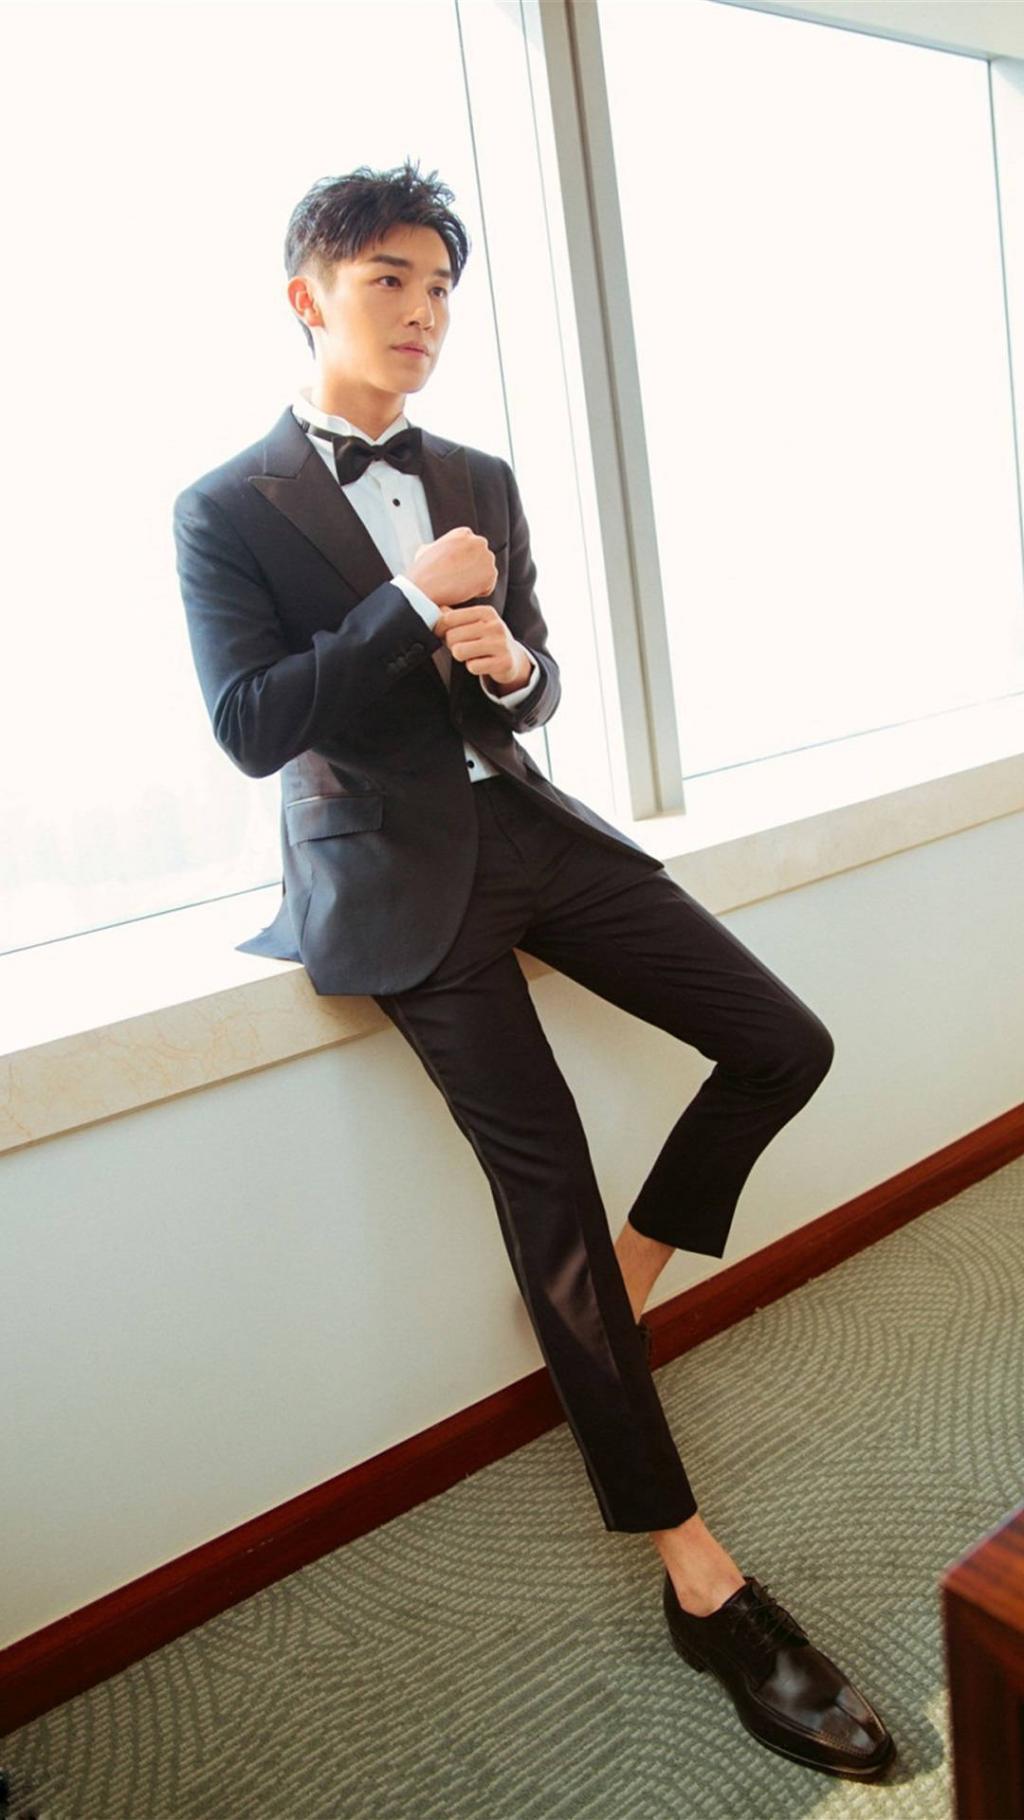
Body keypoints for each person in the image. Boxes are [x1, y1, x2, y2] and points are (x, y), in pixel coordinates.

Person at [173, 158, 894, 1782]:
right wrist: (404, 605)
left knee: (782, 1041)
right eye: (388, 281)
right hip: (390, 874)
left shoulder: (479, 474)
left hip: (531, 830)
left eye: (441, 286)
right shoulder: (223, 507)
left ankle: (623, 1283)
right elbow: (250, 726)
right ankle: (700, 1584)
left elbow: (534, 680)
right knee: (545, 1194)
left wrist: (513, 664)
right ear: (307, 297)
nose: (423, 312)